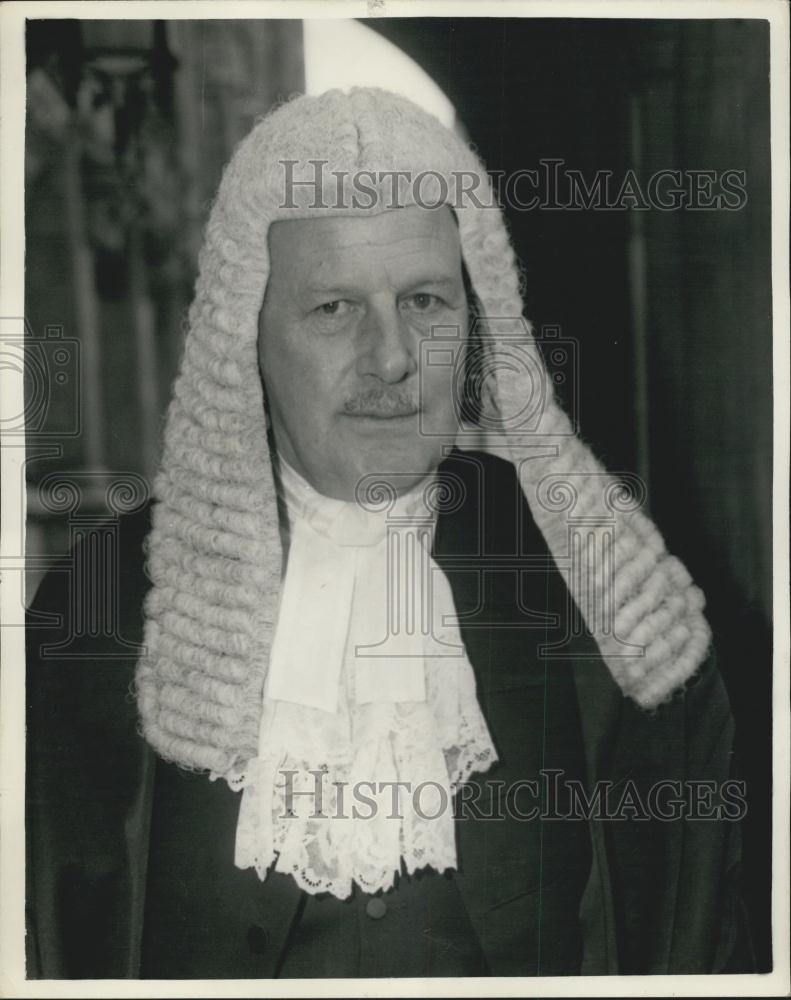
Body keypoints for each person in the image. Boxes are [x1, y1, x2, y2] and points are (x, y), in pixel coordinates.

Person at [25, 87, 750, 979]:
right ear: (242, 337)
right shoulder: (103, 607)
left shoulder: (582, 581)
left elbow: (690, 923)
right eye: (332, 308)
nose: (393, 357)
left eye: (425, 301)